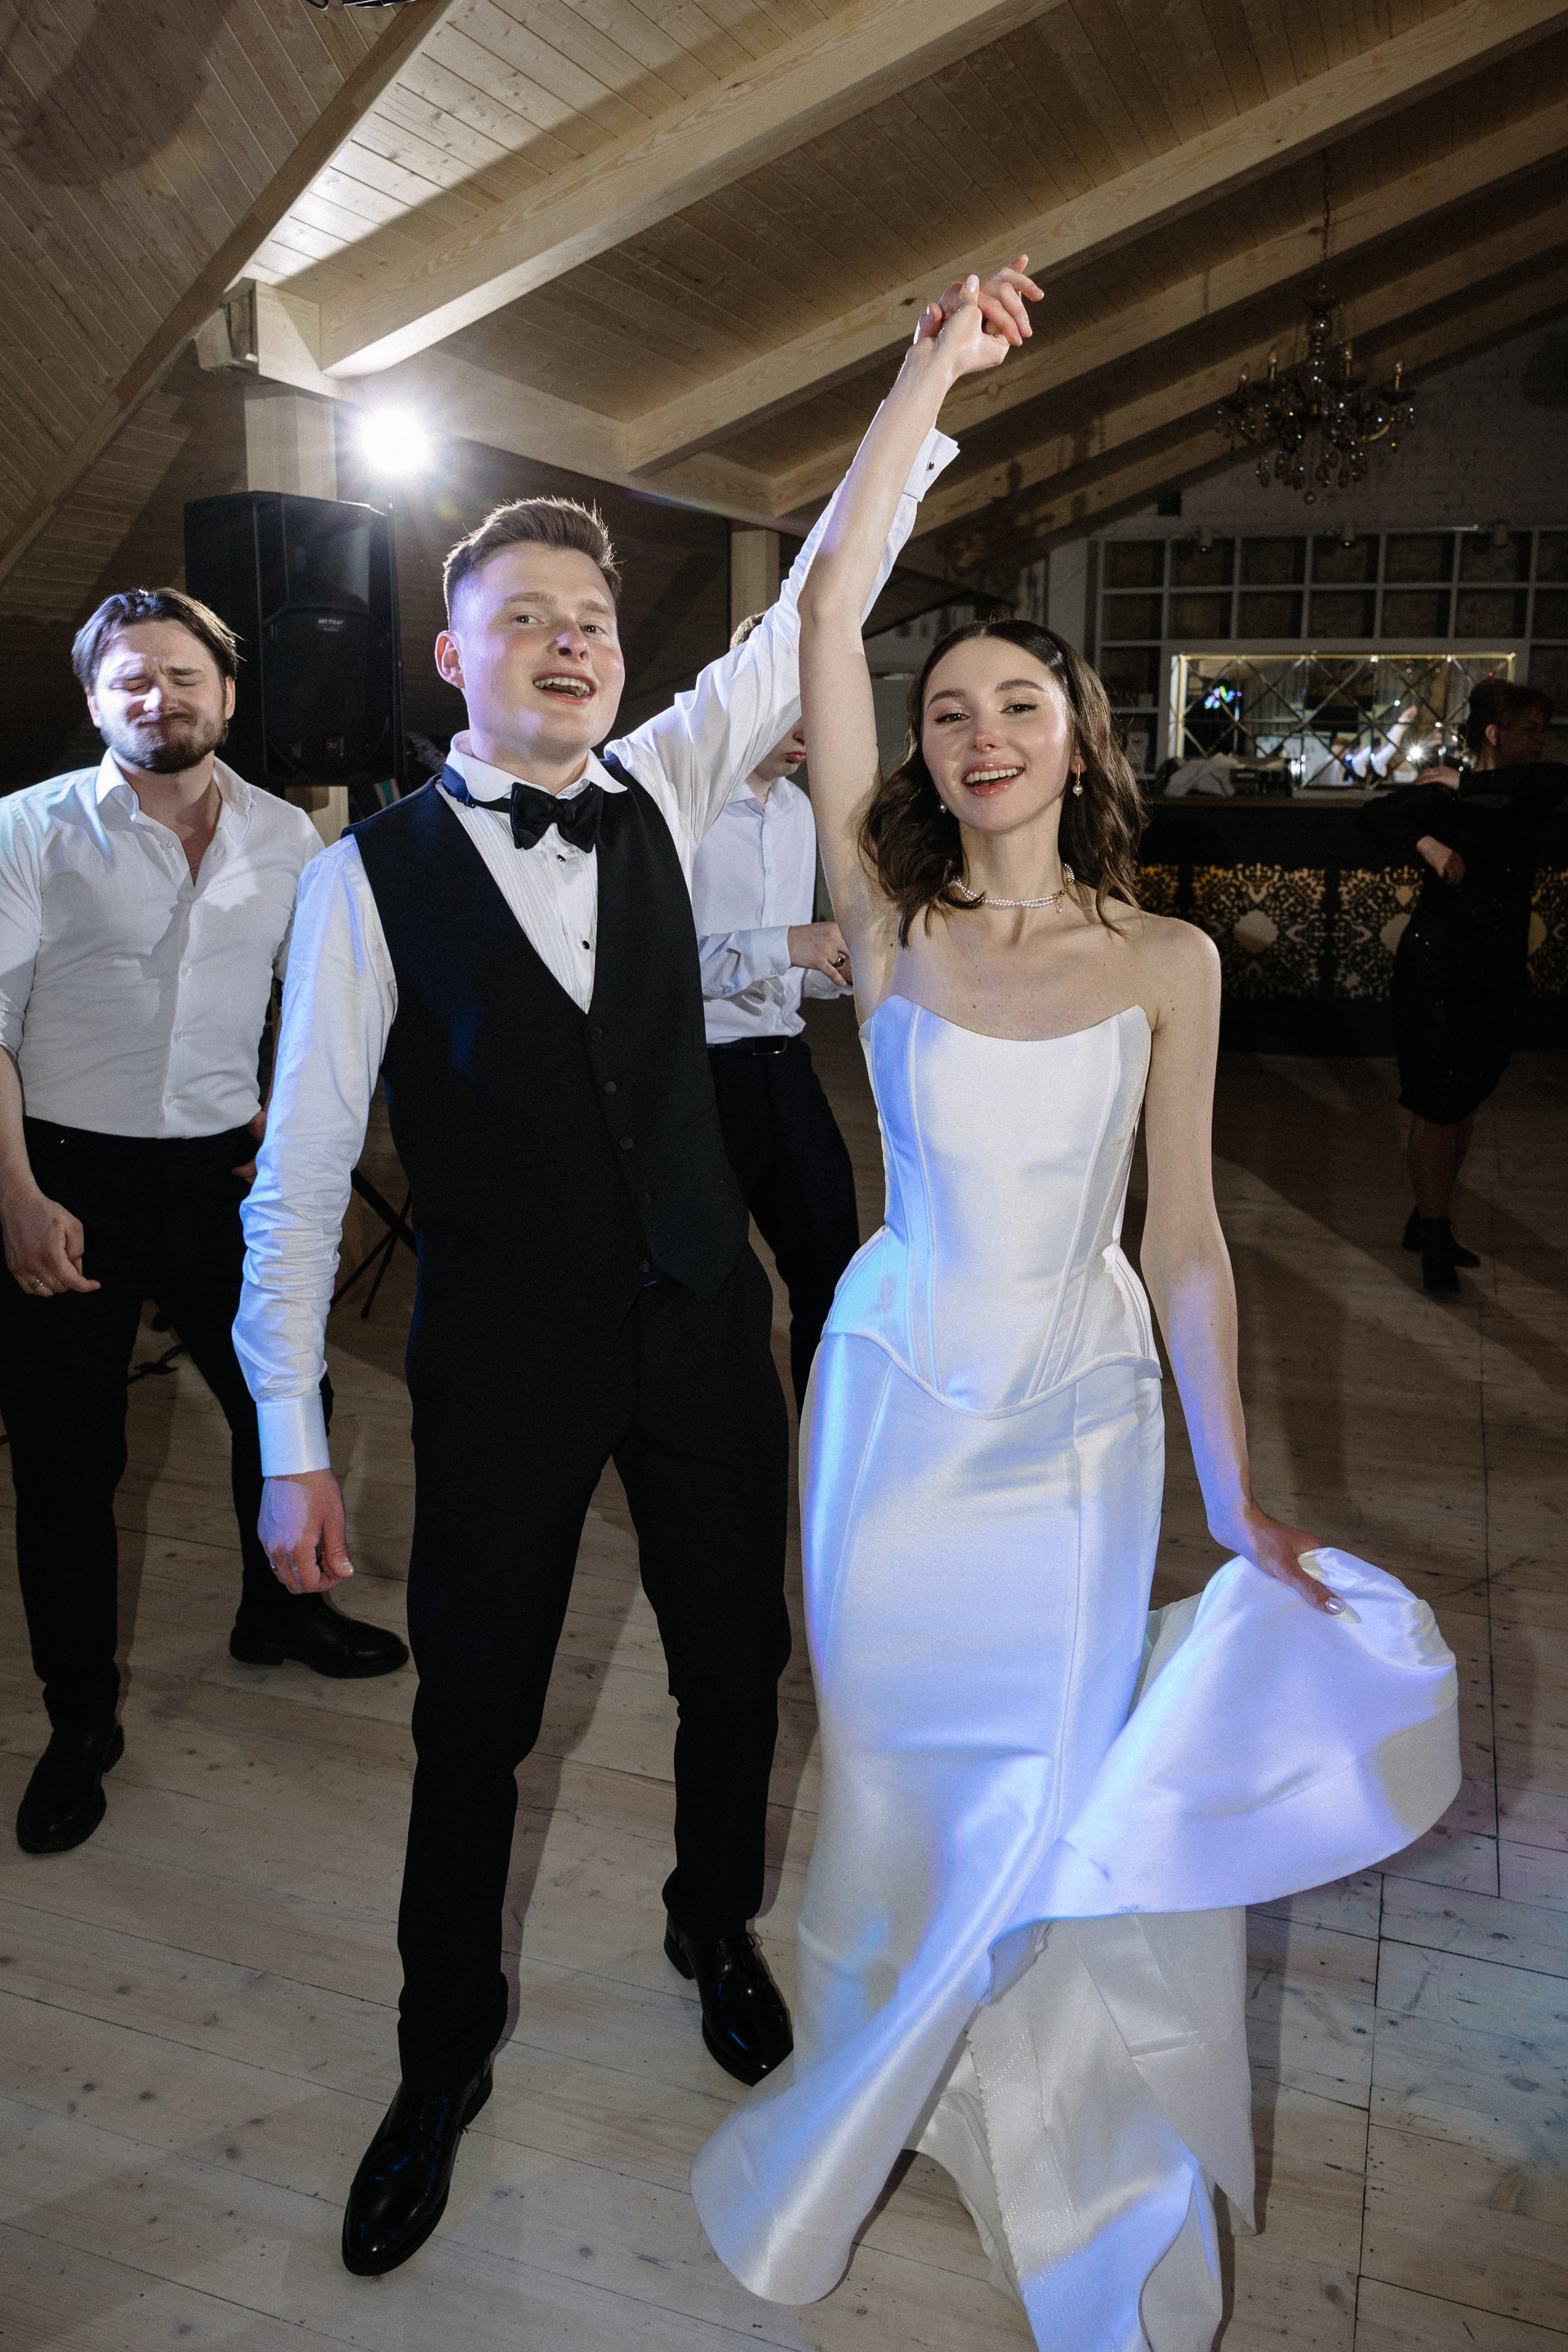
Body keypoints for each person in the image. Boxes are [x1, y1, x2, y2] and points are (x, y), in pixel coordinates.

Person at [690, 282, 1460, 2347]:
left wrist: (1235, 1495)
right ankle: (881, 2058)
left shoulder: (1167, 963)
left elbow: (1187, 1241)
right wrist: (926, 370)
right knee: (884, 1767)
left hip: (1083, 1421)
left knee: (1037, 1771)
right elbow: (830, 602)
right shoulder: (886, 920)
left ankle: (1036, 2080)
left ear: (1077, 737)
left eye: (1016, 703)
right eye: (950, 710)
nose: (978, 733)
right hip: (890, 1402)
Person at [229, 314, 999, 2278]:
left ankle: (706, 1922)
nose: (570, 642)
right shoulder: (357, 883)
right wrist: (290, 1436)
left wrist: (924, 380)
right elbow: (299, 1181)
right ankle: (438, 2056)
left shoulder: (663, 781)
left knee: (736, 1666)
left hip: (700, 1331)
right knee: (475, 1718)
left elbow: (829, 595)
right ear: (453, 655)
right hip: (499, 1359)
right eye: (527, 619)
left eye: (591, 620)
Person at [0, 589, 408, 1860]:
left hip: (223, 1173)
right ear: (94, 698)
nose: (158, 697)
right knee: (68, 1463)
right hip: (64, 1175)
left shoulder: (292, 835)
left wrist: (286, 1135)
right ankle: (80, 1721)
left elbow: (317, 1007)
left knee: (286, 1404)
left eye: (182, 676)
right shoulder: (26, 829)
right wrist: (15, 1197)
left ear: (226, 695)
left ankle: (274, 1614)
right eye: (130, 678)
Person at [692, 635, 858, 1410]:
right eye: (790, 707)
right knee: (709, 1289)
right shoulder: (683, 807)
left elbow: (792, 971)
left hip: (787, 1067)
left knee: (836, 1273)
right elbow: (652, 972)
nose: (805, 731)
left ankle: (827, 1448)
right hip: (698, 1082)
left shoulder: (799, 812)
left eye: (813, 710)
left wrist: (840, 967)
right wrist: (789, 943)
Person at [1357, 678, 1566, 1293]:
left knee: (1468, 1095)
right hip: (1438, 967)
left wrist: (1464, 781)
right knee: (1438, 1101)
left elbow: (1555, 778)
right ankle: (1435, 1234)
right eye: (1530, 729)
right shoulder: (1440, 802)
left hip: (1496, 970)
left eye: (1543, 729)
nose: (1541, 740)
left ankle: (1430, 1213)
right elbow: (1372, 816)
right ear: (1496, 733)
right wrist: (1426, 843)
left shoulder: (1530, 793)